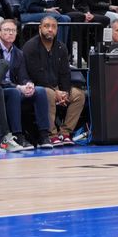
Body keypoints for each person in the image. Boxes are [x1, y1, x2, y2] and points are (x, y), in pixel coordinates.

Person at [22, 16, 85, 146]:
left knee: (79, 95)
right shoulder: (30, 47)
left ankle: (65, 132)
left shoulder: (61, 47)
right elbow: (36, 75)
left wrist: (65, 92)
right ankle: (52, 134)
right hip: (37, 87)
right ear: (40, 28)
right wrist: (55, 92)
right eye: (46, 26)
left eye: (53, 26)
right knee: (48, 94)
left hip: (58, 87)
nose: (50, 29)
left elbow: (65, 73)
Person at [0, 19, 52, 151]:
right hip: (3, 89)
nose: (10, 33)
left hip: (15, 88)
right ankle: (18, 135)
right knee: (14, 92)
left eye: (13, 30)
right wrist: (18, 87)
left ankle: (43, 135)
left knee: (39, 91)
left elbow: (23, 76)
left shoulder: (18, 53)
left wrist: (28, 84)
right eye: (6, 30)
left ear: (16, 34)